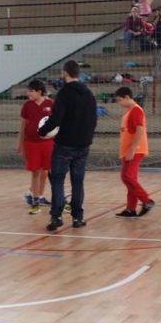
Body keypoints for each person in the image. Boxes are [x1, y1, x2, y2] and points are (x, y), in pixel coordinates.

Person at [38, 59, 97, 231]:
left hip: (64, 144)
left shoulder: (63, 93)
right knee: (78, 182)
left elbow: (56, 118)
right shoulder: (88, 94)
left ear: (65, 73)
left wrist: (42, 130)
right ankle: (78, 217)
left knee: (57, 180)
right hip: (83, 145)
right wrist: (87, 138)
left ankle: (56, 217)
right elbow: (93, 119)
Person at [114, 86, 154, 218]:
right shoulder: (128, 111)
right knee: (130, 178)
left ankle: (147, 201)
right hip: (128, 150)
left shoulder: (136, 110)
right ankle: (131, 209)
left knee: (127, 177)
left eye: (120, 100)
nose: (119, 103)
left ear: (127, 97)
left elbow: (140, 129)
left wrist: (132, 149)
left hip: (135, 150)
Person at [17, 79, 55, 214]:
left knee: (49, 170)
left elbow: (56, 124)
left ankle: (51, 197)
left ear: (39, 92)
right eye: (28, 91)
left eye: (31, 91)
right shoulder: (27, 106)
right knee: (35, 172)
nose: (28, 93)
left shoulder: (50, 104)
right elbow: (22, 127)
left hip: (48, 143)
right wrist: (20, 145)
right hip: (32, 143)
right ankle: (35, 201)